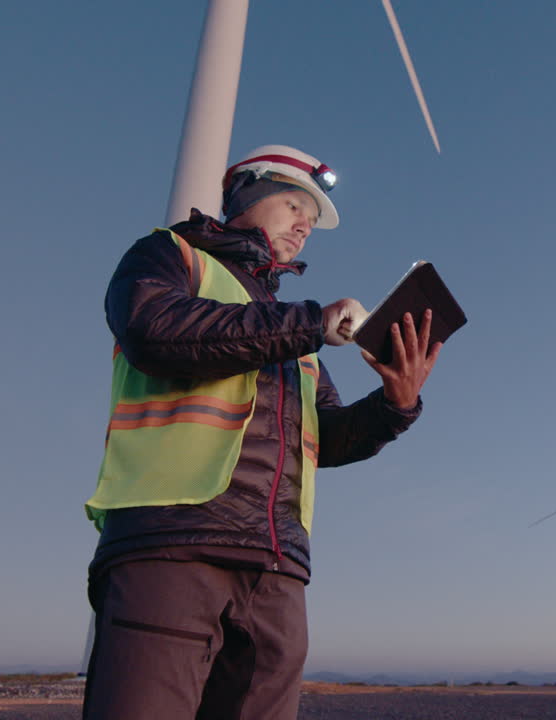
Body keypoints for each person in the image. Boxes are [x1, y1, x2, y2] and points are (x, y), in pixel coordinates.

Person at [82, 145, 442, 720]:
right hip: (172, 545)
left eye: (312, 218)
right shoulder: (170, 256)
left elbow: (327, 437)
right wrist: (310, 321)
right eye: (295, 205)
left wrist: (395, 404)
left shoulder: (291, 332)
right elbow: (153, 328)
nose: (304, 226)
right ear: (247, 191)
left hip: (277, 571)